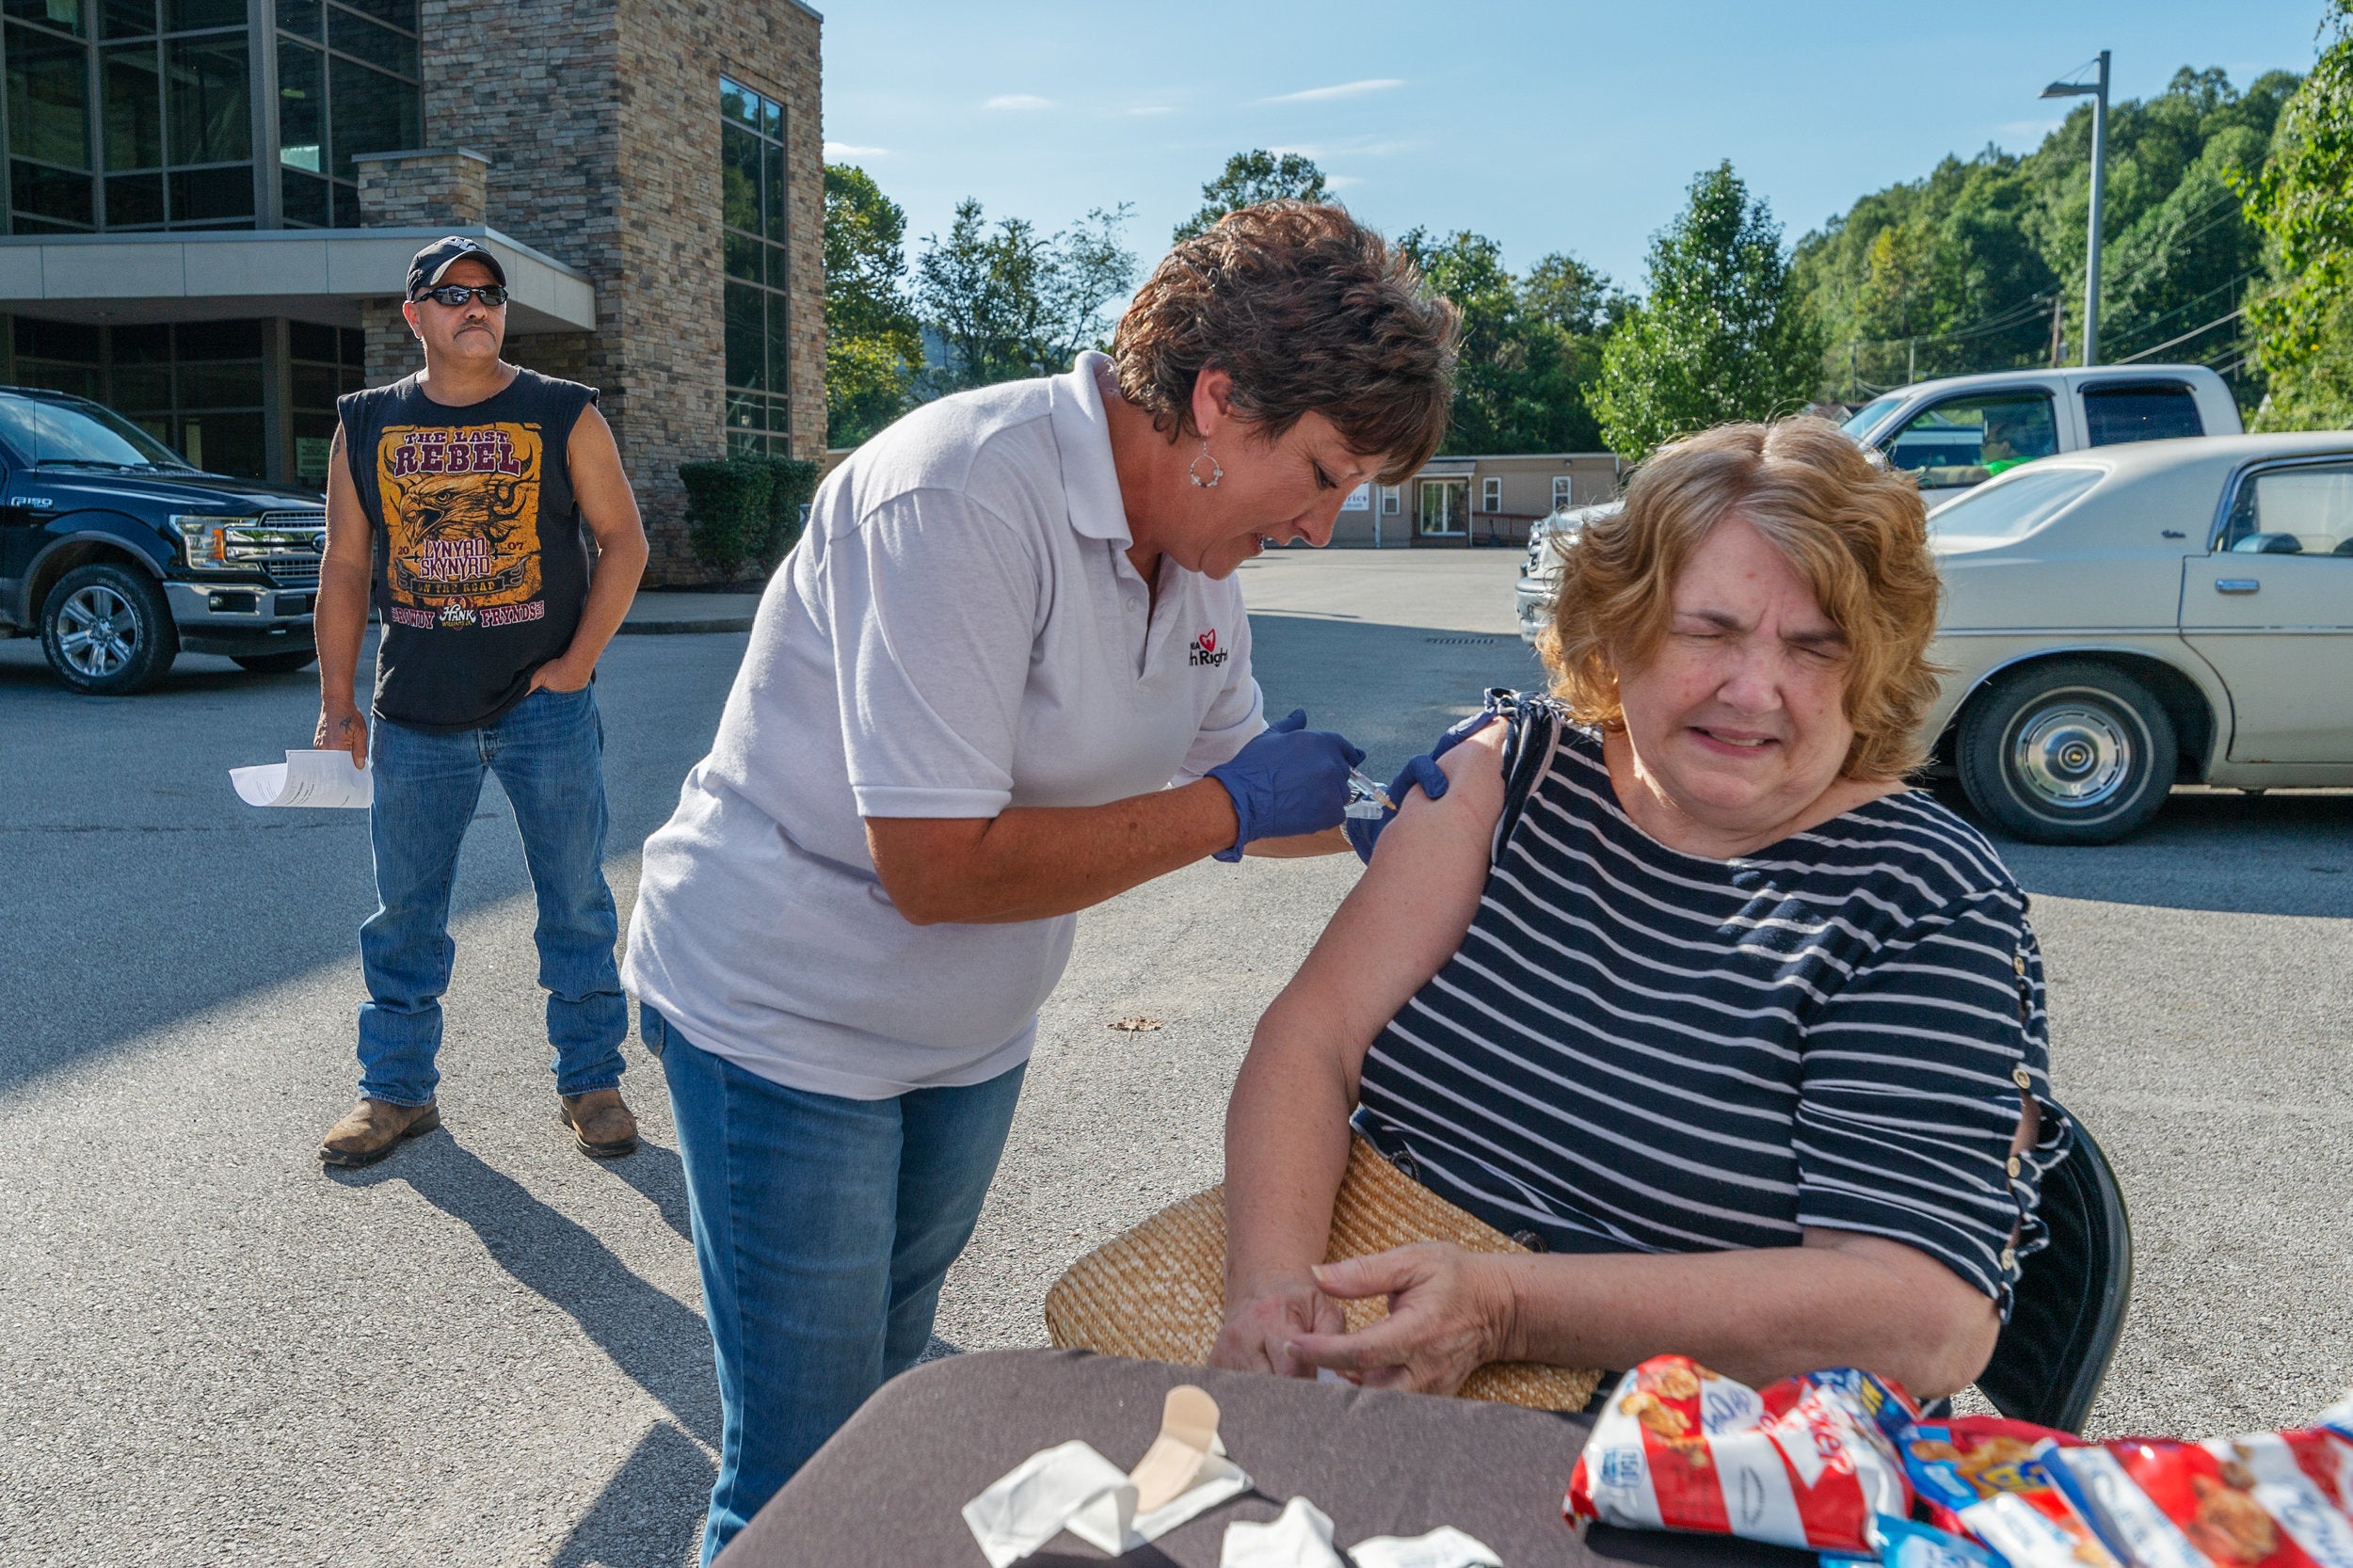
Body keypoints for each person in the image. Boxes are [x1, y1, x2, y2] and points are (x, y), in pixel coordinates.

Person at [623, 201, 1459, 1561]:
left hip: (965, 1030)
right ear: (1216, 400)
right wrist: (1227, 810)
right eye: (1316, 473)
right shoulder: (962, 492)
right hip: (786, 1016)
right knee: (797, 1466)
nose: (1316, 525)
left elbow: (1246, 770)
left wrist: (1410, 810)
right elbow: (937, 867)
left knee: (895, 1403)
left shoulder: (1197, 562)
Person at [1215, 417, 2073, 1401]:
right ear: (1614, 632)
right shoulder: (1510, 769)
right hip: (1362, 1348)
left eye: (1813, 647)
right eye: (1707, 630)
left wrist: (1507, 1306)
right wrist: (1274, 1296)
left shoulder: (1923, 894)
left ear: (1870, 666)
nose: (1754, 690)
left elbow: (1921, 1319)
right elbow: (1311, 1037)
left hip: (1674, 1454)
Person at [313, 236, 649, 1168]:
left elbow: (623, 541)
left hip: (545, 708)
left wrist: (580, 660)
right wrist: (337, 703)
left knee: (575, 900)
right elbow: (344, 569)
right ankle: (394, 1094)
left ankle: (592, 1082)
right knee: (405, 914)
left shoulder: (559, 411)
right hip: (416, 710)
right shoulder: (367, 422)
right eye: (453, 293)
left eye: (491, 295)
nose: (477, 307)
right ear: (415, 312)